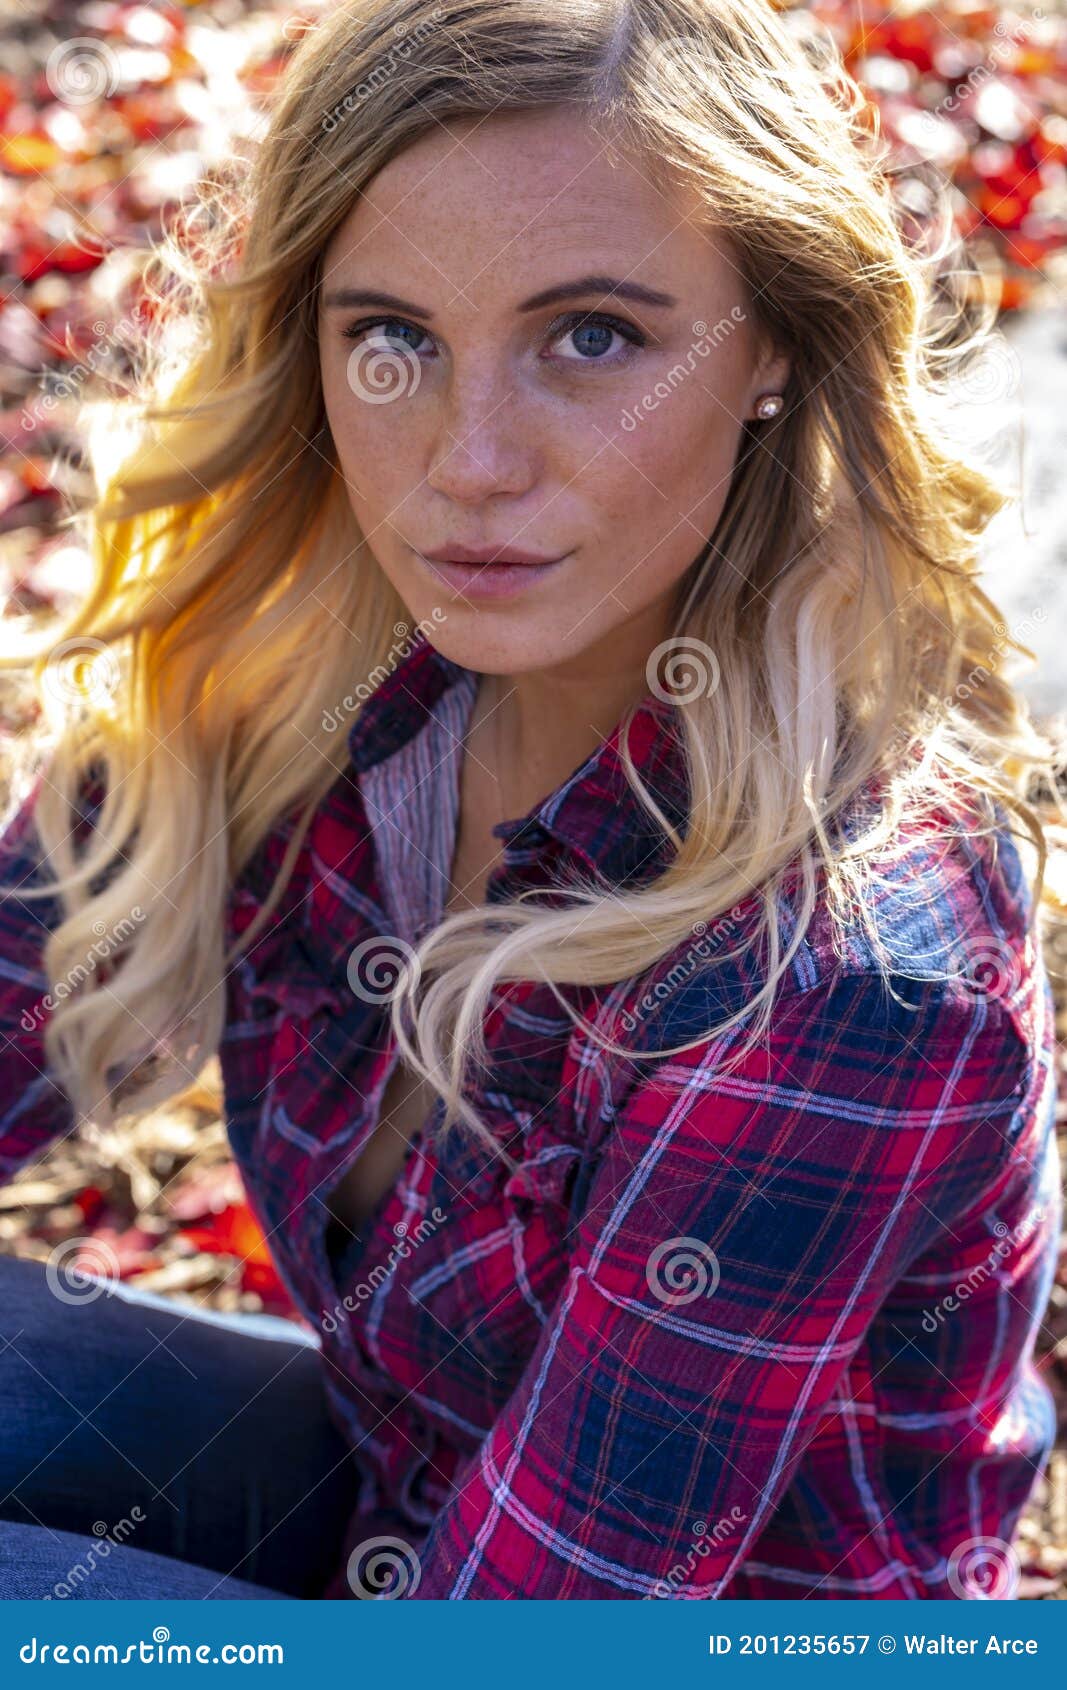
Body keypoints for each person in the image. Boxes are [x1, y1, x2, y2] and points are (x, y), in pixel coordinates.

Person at [0, 0, 1061, 1602]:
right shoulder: (316, 677)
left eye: (593, 337)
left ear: (772, 346)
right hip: (406, 1482)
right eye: (395, 340)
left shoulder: (849, 966)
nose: (468, 463)